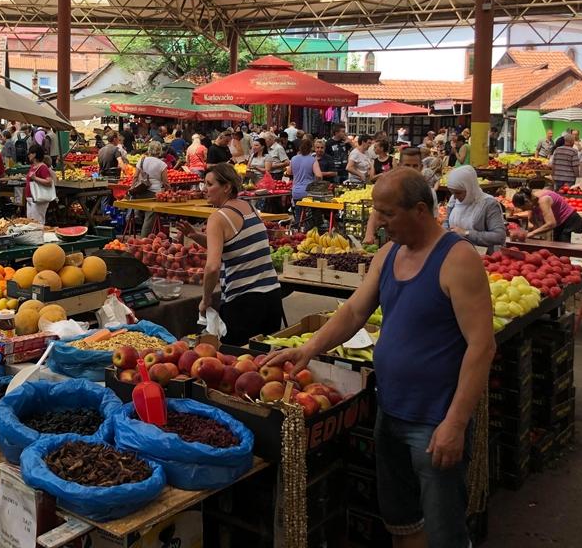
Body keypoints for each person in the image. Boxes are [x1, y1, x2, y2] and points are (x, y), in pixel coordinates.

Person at [267, 168, 495, 547]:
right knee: (401, 521)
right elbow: (354, 311)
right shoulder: (388, 254)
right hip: (390, 412)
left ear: (420, 210)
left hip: (435, 419)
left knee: (444, 531)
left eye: (387, 213)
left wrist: (455, 423)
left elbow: (482, 347)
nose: (379, 221)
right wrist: (308, 349)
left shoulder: (457, 259)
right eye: (376, 211)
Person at [175, 163, 283, 345]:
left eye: (210, 184)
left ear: (226, 187)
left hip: (244, 304)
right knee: (265, 363)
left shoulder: (218, 218)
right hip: (272, 297)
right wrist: (195, 236)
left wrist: (206, 299)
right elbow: (233, 244)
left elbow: (212, 267)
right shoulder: (248, 207)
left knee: (237, 364)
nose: (205, 189)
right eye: (204, 184)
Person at [443, 166, 507, 252]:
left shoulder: (488, 204)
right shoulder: (454, 199)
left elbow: (499, 236)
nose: (455, 197)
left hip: (481, 256)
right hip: (456, 253)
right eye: (452, 192)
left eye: (458, 193)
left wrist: (467, 233)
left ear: (469, 187)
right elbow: (447, 222)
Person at [513, 187, 582, 242]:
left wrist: (531, 234)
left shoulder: (543, 200)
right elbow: (531, 217)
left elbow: (551, 224)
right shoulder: (532, 199)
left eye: (522, 208)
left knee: (564, 252)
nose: (523, 210)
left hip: (571, 223)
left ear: (526, 202)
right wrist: (530, 224)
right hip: (560, 225)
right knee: (558, 251)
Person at [133, 141, 169, 236]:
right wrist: (170, 192)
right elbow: (165, 182)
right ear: (160, 151)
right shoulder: (162, 164)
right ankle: (144, 239)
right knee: (149, 217)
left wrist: (132, 188)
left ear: (149, 149)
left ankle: (137, 214)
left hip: (141, 191)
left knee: (137, 208)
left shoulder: (142, 160)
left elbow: (135, 176)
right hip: (154, 194)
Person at [288, 138, 322, 226]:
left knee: (299, 215)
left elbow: (289, 172)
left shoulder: (293, 158)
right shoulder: (313, 160)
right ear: (311, 148)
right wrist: (316, 183)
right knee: (312, 214)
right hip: (308, 192)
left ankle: (299, 231)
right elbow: (319, 175)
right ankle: (311, 230)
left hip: (296, 192)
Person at [24, 144, 54, 224]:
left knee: (37, 223)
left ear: (34, 154)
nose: (28, 155)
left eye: (30, 153)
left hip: (38, 199)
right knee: (31, 222)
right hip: (31, 199)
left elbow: (49, 182)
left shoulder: (42, 167)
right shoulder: (33, 166)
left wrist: (35, 178)